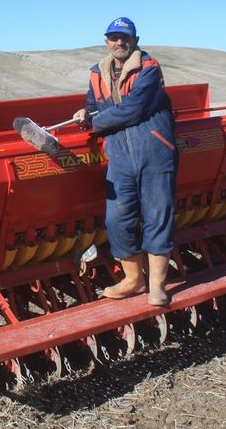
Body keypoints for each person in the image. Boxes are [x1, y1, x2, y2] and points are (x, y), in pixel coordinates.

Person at [73, 17, 178, 306]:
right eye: (114, 37)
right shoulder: (97, 73)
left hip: (153, 150)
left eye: (125, 38)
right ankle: (134, 281)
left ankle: (157, 286)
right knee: (118, 219)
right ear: (106, 41)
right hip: (119, 154)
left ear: (135, 40)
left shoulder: (149, 68)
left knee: (158, 216)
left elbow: (134, 109)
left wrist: (95, 124)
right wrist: (86, 112)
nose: (120, 42)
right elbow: (94, 106)